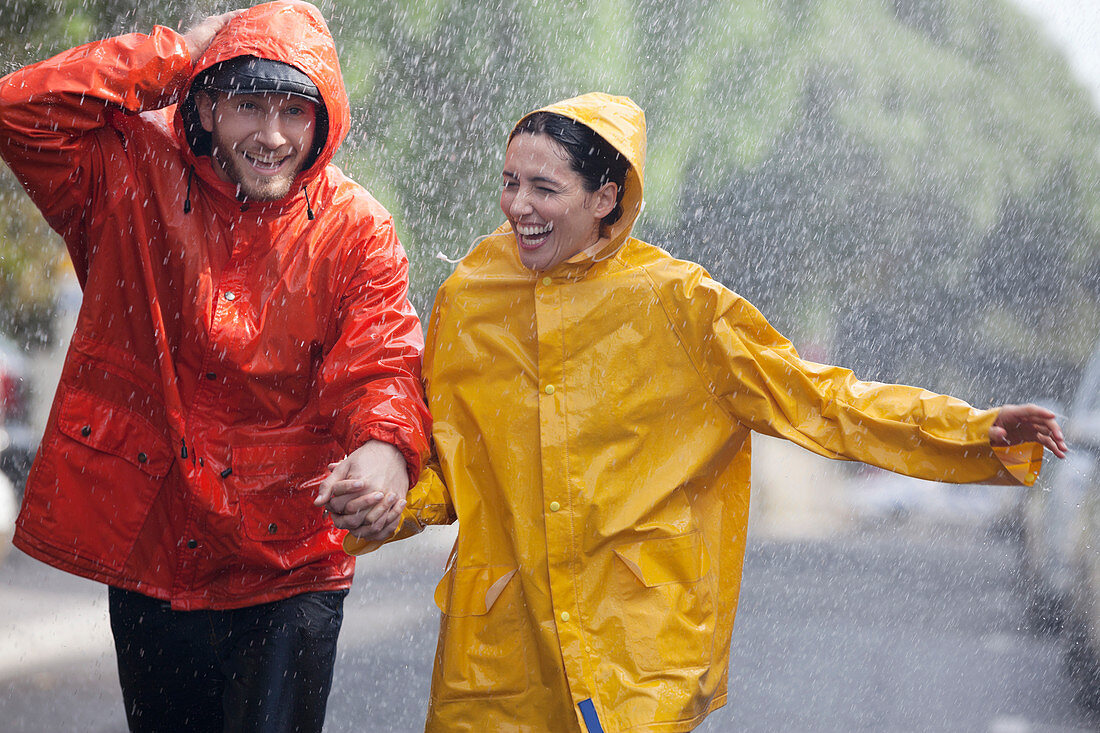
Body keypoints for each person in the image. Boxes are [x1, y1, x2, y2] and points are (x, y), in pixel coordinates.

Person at [323, 92, 1067, 732]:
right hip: (494, 657)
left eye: (544, 189)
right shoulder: (471, 297)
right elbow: (454, 469)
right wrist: (389, 504)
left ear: (606, 195)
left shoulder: (681, 305)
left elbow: (820, 400)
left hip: (629, 657)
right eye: (510, 182)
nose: (519, 206)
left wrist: (971, 430)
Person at [0, 2, 429, 731]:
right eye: (247, 105)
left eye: (294, 110)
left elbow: (382, 362)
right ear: (204, 101)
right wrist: (176, 52)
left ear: (325, 118)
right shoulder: (130, 173)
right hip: (154, 551)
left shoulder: (357, 229)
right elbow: (19, 111)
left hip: (291, 559)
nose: (270, 135)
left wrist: (386, 450)